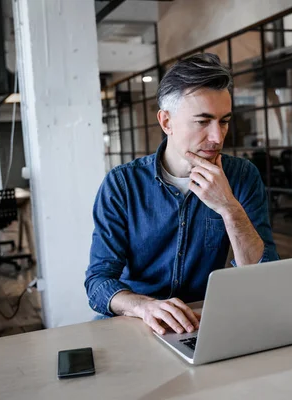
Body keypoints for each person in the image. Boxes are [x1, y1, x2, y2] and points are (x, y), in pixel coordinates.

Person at [85, 53, 279, 335]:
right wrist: (144, 307)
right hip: (137, 320)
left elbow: (264, 277)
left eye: (224, 121)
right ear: (166, 122)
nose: (217, 137)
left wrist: (229, 208)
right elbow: (98, 283)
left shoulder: (242, 176)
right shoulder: (122, 184)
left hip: (202, 321)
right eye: (203, 122)